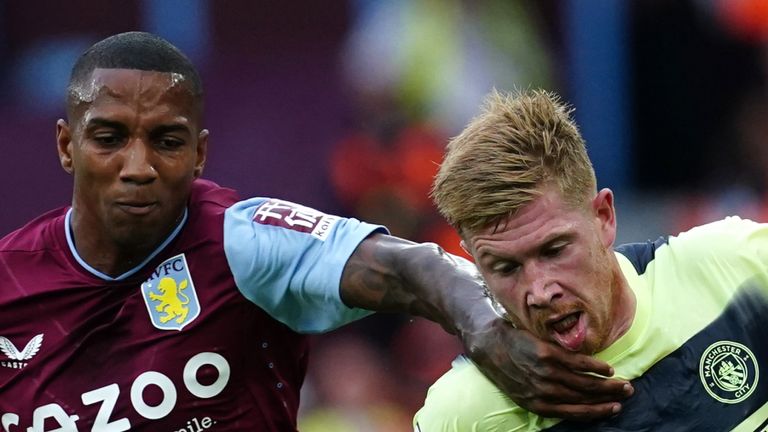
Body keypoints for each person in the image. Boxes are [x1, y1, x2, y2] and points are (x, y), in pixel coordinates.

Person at [0, 33, 630, 431]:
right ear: (66, 145)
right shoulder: (8, 283)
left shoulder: (240, 242)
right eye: (109, 139)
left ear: (199, 154)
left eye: (166, 142)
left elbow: (409, 266)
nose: (137, 167)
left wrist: (487, 328)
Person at [414, 89, 768, 431]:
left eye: (554, 250)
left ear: (604, 217)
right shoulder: (464, 415)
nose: (539, 292)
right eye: (506, 268)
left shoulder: (735, 266)